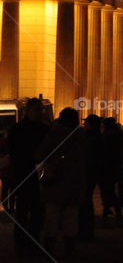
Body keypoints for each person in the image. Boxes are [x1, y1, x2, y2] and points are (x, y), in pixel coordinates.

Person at [36, 107, 86, 259]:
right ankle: (69, 251)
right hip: (74, 184)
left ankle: (49, 250)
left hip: (55, 182)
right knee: (70, 220)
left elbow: (39, 154)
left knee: (52, 218)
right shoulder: (81, 136)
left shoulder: (54, 134)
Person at [7, 97, 49, 256]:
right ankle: (23, 245)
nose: (40, 113)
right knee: (24, 212)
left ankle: (31, 243)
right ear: (28, 111)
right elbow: (15, 153)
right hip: (24, 175)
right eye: (37, 110)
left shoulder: (42, 129)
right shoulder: (19, 130)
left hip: (33, 176)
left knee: (37, 213)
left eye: (41, 110)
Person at [98, 117, 123, 223]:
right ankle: (114, 213)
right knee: (111, 191)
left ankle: (111, 213)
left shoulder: (108, 137)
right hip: (114, 167)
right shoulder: (118, 136)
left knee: (109, 192)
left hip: (108, 168)